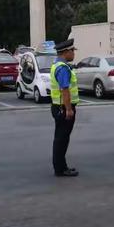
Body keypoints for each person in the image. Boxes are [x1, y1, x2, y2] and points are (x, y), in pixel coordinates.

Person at [49, 39, 79, 177]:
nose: (74, 53)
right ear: (66, 52)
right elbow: (65, 90)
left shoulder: (57, 65)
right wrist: (69, 109)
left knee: (60, 137)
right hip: (63, 107)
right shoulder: (62, 68)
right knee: (62, 138)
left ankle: (61, 166)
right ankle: (60, 169)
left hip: (57, 106)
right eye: (72, 51)